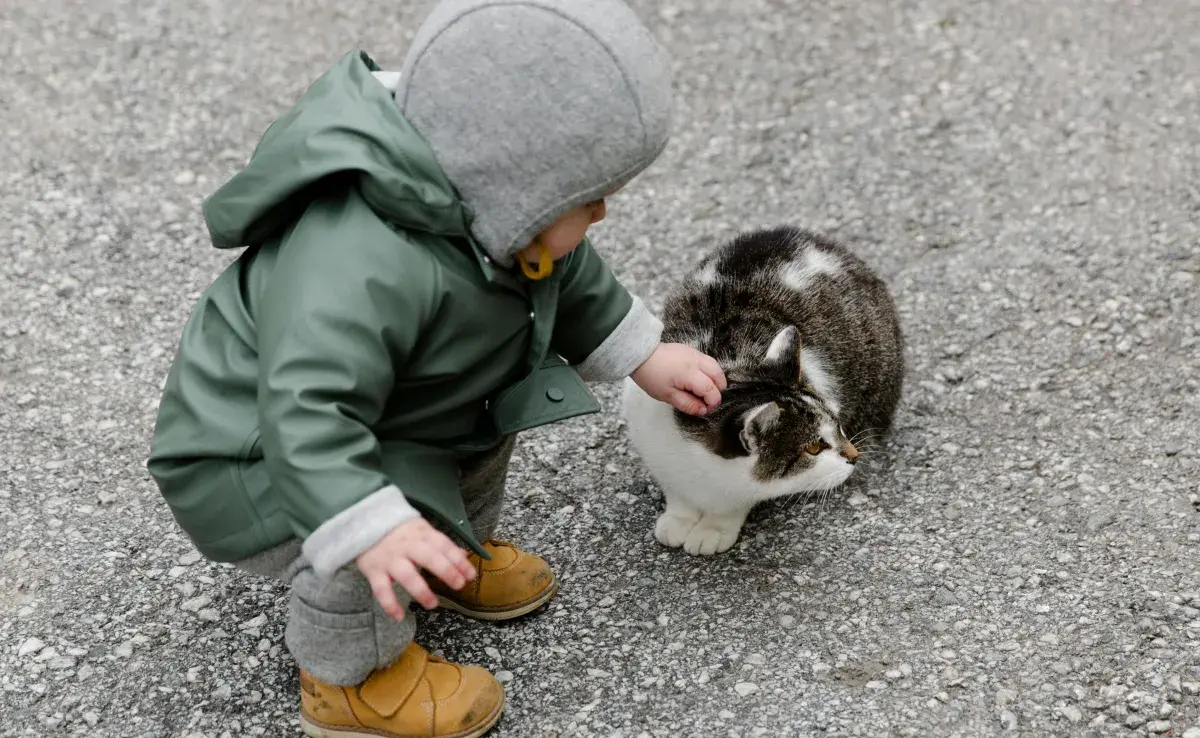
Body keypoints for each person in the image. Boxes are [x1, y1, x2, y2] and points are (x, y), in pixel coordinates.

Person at [147, 1, 726, 735]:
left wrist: (643, 350)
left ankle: (448, 555)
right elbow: (306, 411)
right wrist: (373, 526)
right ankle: (349, 681)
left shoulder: (497, 216)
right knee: (367, 527)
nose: (603, 213)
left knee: (486, 428)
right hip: (260, 454)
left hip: (400, 410)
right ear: (512, 181)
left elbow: (569, 275)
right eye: (588, 198)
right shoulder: (356, 262)